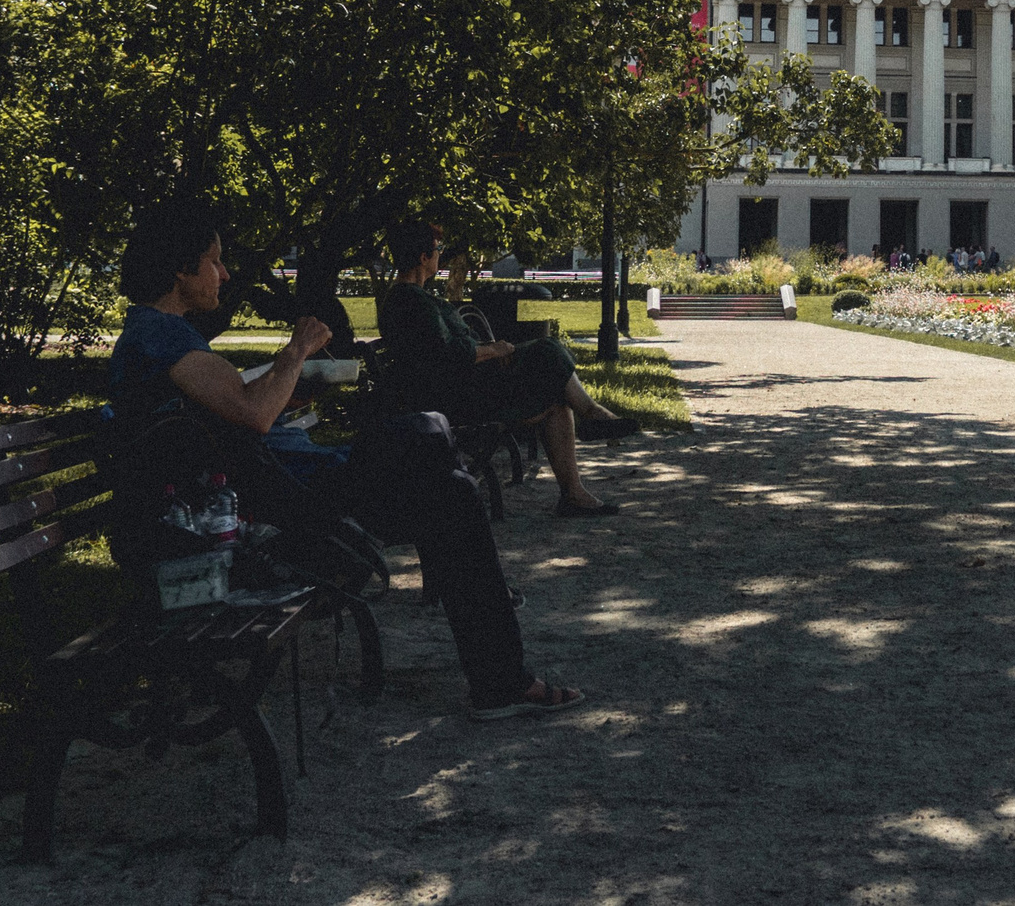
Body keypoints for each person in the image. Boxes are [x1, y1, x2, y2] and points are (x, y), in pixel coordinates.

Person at [110, 200, 582, 720]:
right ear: (181, 269)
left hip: (289, 486)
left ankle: (501, 684)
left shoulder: (164, 335)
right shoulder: (158, 335)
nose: (224, 274)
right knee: (429, 432)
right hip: (284, 505)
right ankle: (502, 682)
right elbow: (252, 414)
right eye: (215, 262)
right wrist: (297, 352)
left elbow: (234, 413)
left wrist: (283, 391)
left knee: (450, 492)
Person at [374, 220, 639, 519]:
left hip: (460, 388)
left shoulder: (410, 297)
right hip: (454, 400)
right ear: (423, 257)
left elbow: (443, 352)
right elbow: (448, 354)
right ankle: (592, 414)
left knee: (555, 400)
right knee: (546, 348)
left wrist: (489, 350)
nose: (439, 255)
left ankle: (574, 494)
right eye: (437, 250)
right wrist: (493, 350)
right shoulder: (410, 300)